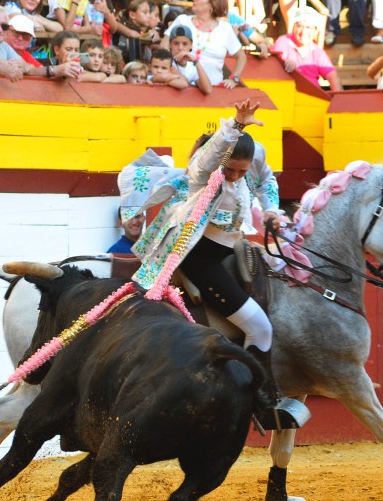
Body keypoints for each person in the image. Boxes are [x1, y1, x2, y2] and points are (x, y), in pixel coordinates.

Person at [132, 99, 308, 431]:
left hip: (229, 249)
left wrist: (271, 208)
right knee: (261, 328)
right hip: (199, 258)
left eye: (242, 172)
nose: (236, 176)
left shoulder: (252, 162)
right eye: (230, 170)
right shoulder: (205, 170)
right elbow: (214, 155)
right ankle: (259, 404)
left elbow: (266, 180)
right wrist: (236, 126)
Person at [162, 0, 246, 87]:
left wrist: (234, 78)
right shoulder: (182, 20)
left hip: (213, 89)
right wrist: (173, 69)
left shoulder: (225, 28)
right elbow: (164, 45)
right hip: (182, 87)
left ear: (213, 3)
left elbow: (241, 56)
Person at [271, 6, 340, 90]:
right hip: (287, 93)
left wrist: (339, 99)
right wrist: (285, 61)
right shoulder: (283, 41)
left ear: (315, 31)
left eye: (308, 28)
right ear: (294, 27)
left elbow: (332, 75)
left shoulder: (317, 51)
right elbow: (278, 59)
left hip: (314, 96)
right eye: (299, 26)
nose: (303, 32)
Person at [168, 24, 212, 94]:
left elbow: (208, 90)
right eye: (176, 44)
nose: (180, 48)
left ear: (191, 45)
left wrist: (196, 61)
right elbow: (184, 83)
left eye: (185, 44)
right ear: (170, 44)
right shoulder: (167, 62)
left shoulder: (192, 66)